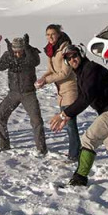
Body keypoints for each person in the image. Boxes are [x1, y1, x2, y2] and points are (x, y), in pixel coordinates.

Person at [50, 44, 108, 186]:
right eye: (68, 58)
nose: (72, 60)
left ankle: (79, 178)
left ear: (81, 55)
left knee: (88, 139)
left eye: (74, 55)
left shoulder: (90, 69)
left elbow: (86, 97)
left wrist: (63, 114)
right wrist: (68, 116)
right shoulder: (82, 72)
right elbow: (82, 96)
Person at [0, 34, 48, 155]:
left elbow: (35, 61)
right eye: (15, 51)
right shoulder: (9, 55)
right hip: (13, 93)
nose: (17, 54)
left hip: (28, 93)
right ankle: (4, 145)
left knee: (36, 121)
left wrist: (28, 48)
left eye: (20, 51)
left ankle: (41, 149)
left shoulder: (30, 54)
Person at [35, 24, 81, 161]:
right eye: (47, 35)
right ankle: (75, 152)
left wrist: (47, 81)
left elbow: (65, 73)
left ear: (59, 34)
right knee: (68, 124)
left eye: (53, 34)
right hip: (61, 92)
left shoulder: (66, 49)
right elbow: (52, 70)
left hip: (70, 89)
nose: (50, 37)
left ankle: (74, 155)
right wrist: (43, 78)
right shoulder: (51, 50)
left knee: (70, 124)